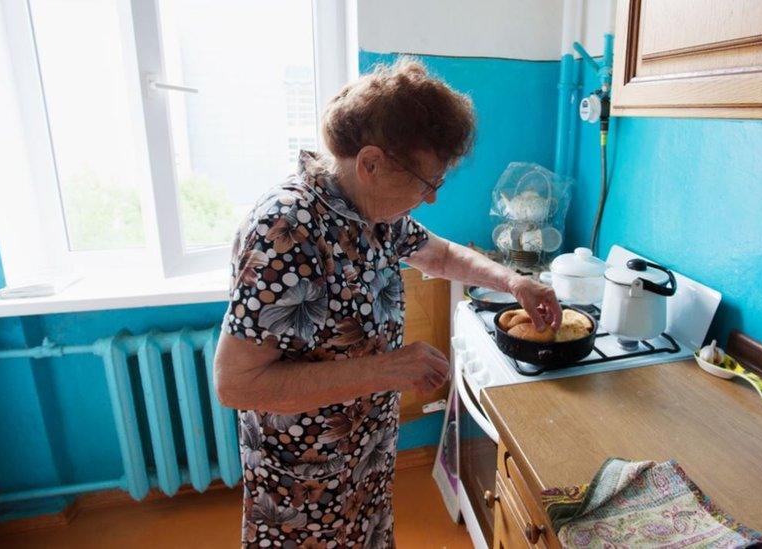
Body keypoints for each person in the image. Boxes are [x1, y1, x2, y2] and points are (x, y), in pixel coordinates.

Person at [214, 58, 561, 548]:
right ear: (371, 163)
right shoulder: (287, 230)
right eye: (427, 184)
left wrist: (514, 281)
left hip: (366, 461)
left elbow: (438, 253)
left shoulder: (371, 211)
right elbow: (235, 383)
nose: (433, 198)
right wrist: (389, 370)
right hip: (305, 485)